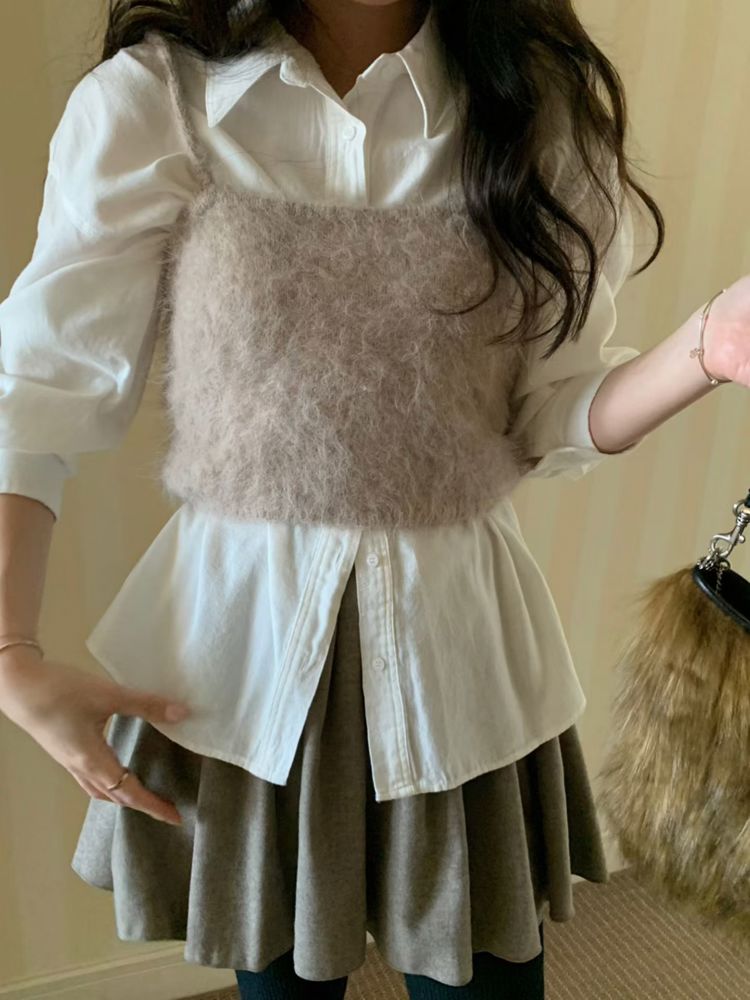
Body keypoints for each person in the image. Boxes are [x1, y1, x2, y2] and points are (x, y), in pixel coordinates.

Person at [0, 1, 748, 998]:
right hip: (240, 660)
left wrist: (707, 346)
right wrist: (8, 650)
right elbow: (38, 390)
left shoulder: (537, 103)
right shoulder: (159, 101)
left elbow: (546, 411)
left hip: (456, 659)